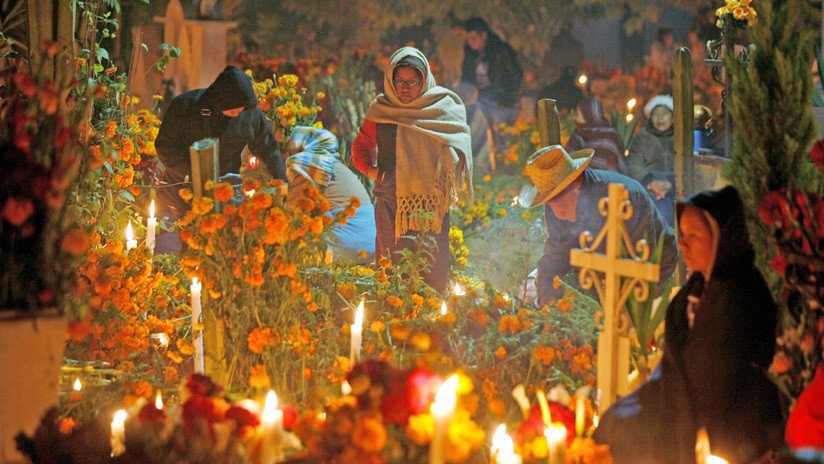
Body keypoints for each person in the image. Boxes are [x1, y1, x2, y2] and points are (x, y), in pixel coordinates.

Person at [593, 186, 784, 464]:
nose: (682, 244)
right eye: (682, 235)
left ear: (721, 240)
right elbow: (675, 359)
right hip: (678, 391)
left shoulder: (743, 293)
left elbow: (719, 374)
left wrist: (673, 409)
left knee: (643, 437)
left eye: (694, 236)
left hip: (726, 412)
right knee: (615, 420)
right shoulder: (696, 286)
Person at [352, 47, 472, 292]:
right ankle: (391, 317)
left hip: (431, 202)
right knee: (391, 263)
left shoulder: (441, 107)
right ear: (390, 81)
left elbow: (460, 139)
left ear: (424, 80)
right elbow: (360, 146)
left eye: (413, 82)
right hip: (391, 201)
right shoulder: (382, 110)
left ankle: (430, 318)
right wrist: (372, 171)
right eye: (400, 81)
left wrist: (450, 159)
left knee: (433, 260)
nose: (405, 88)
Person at [519, 145, 677, 306]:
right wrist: (545, 298)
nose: (556, 212)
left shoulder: (627, 198)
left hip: (653, 274)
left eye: (558, 203)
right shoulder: (555, 204)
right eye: (549, 203)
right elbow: (556, 254)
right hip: (599, 278)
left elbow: (642, 261)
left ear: (575, 185)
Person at [155, 65, 286, 216]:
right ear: (220, 98)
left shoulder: (248, 113)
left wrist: (281, 179)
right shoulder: (185, 106)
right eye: (233, 107)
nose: (238, 112)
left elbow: (269, 146)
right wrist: (194, 175)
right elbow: (165, 147)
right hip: (181, 189)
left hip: (224, 190)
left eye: (242, 108)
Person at [285, 126, 375, 262]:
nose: (285, 154)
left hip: (346, 243)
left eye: (288, 148)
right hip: (370, 244)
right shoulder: (334, 164)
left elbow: (293, 207)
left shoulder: (310, 165)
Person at [460, 17, 523, 127]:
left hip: (501, 104)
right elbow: (466, 78)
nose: (470, 43)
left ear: (484, 35)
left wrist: (509, 100)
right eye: (468, 39)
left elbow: (516, 75)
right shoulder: (470, 54)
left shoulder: (501, 50)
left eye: (474, 39)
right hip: (480, 103)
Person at [626, 94, 675, 226]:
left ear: (673, 116)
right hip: (648, 187)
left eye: (664, 113)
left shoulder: (681, 137)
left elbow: (688, 164)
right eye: (656, 114)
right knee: (661, 212)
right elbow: (633, 164)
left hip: (676, 186)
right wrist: (651, 182)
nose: (660, 118)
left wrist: (671, 183)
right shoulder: (641, 137)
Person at [566, 97, 627, 174]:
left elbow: (612, 166)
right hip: (579, 183)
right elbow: (568, 164)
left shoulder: (609, 136)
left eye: (578, 115)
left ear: (588, 116)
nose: (575, 118)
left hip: (607, 183)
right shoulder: (577, 135)